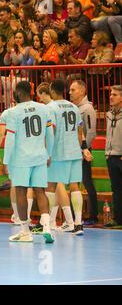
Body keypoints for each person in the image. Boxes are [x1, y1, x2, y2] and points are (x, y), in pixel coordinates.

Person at [2, 81, 55, 243]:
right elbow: (50, 134)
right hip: (40, 156)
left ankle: (25, 232)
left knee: (21, 192)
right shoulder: (44, 108)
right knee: (40, 191)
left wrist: (6, 161)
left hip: (21, 159)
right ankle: (47, 226)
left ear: (18, 92)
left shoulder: (12, 112)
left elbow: (10, 139)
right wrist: (49, 154)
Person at [46, 79, 93, 235]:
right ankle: (78, 224)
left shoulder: (50, 107)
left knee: (51, 186)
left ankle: (49, 223)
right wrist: (81, 149)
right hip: (74, 152)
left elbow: (50, 131)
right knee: (75, 187)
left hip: (58, 153)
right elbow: (80, 132)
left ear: (52, 90)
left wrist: (48, 152)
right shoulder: (74, 107)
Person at [69, 80, 98, 226]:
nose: (70, 92)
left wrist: (85, 149)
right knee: (75, 184)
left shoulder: (87, 109)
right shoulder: (74, 108)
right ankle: (75, 217)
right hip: (76, 151)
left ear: (81, 91)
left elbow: (91, 131)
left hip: (83, 151)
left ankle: (93, 216)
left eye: (73, 90)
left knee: (87, 182)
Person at [104, 85, 122, 228]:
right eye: (111, 94)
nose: (111, 96)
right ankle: (118, 219)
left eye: (115, 95)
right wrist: (107, 154)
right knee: (116, 190)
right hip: (111, 156)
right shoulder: (109, 114)